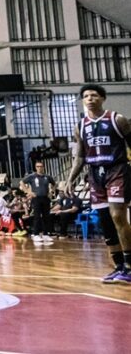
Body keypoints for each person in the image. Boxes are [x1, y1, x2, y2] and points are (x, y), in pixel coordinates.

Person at [67, 84, 131, 283]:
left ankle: (130, 265)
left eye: (94, 95)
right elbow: (79, 157)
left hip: (117, 169)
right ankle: (119, 266)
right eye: (86, 96)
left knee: (117, 215)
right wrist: (70, 179)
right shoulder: (80, 126)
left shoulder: (117, 120)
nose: (90, 98)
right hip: (95, 174)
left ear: (102, 98)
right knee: (105, 221)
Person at [21, 161, 56, 243]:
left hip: (45, 198)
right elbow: (22, 182)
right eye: (38, 166)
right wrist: (28, 192)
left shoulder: (47, 177)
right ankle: (36, 234)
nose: (39, 168)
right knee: (37, 216)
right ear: (35, 167)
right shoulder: (32, 176)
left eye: (41, 166)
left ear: (43, 167)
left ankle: (45, 234)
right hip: (36, 198)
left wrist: (51, 192)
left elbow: (54, 184)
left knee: (46, 216)